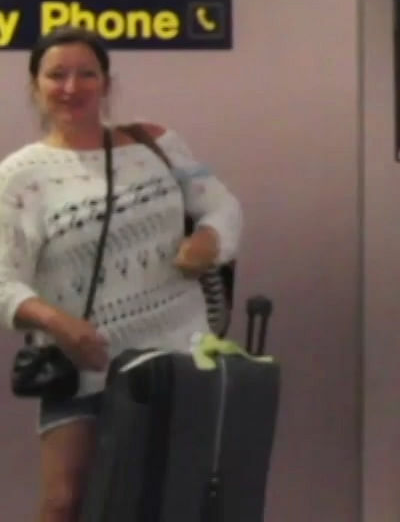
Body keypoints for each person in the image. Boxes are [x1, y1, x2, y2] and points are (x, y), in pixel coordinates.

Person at [1, 28, 242, 522]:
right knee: (65, 503)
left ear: (106, 83)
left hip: (180, 358)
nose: (72, 86)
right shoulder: (20, 177)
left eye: (87, 73)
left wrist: (211, 241)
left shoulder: (156, 143)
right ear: (35, 85)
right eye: (57, 74)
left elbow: (221, 204)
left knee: (173, 500)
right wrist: (56, 322)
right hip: (84, 368)